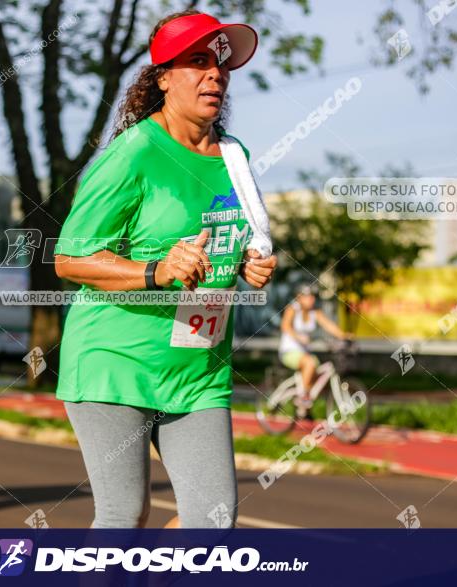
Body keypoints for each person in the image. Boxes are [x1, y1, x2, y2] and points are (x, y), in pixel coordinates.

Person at [53, 10, 276, 529]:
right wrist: (157, 270)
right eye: (197, 61)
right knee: (123, 515)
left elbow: (228, 238)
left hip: (198, 370)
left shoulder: (235, 157)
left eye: (220, 63)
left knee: (212, 522)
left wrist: (248, 263)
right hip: (117, 360)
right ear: (164, 77)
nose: (214, 74)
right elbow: (69, 258)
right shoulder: (134, 152)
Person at [279, 284, 352, 399]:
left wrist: (343, 335)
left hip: (305, 353)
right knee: (310, 363)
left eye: (313, 296)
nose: (312, 299)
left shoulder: (315, 312)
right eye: (308, 296)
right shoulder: (292, 309)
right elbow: (285, 326)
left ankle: (305, 404)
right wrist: (298, 337)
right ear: (299, 297)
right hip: (289, 351)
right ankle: (302, 398)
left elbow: (328, 325)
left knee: (317, 370)